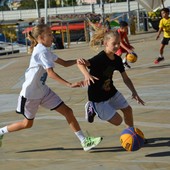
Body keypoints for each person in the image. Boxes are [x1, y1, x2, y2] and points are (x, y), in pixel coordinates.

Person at [0, 24, 102, 151]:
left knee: (68, 112)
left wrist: (78, 61)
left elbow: (64, 63)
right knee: (27, 124)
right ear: (41, 37)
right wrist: (69, 84)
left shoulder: (46, 50)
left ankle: (84, 141)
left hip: (43, 92)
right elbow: (51, 73)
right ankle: (1, 132)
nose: (52, 37)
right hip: (30, 95)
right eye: (49, 34)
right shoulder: (41, 52)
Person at [77, 28, 145, 133]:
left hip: (111, 91)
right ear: (105, 43)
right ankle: (92, 106)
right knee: (118, 121)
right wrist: (87, 75)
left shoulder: (117, 59)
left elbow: (126, 78)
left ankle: (131, 133)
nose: (117, 46)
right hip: (98, 97)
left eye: (119, 43)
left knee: (128, 110)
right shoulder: (99, 58)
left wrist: (134, 92)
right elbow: (80, 63)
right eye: (114, 44)